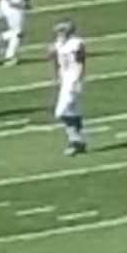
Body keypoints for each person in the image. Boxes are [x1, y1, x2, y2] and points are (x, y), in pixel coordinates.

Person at [49, 19, 88, 156]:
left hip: (73, 78)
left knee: (61, 112)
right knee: (73, 112)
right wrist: (58, 78)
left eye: (61, 31)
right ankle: (79, 142)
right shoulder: (59, 44)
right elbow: (55, 61)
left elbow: (80, 62)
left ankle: (75, 140)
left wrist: (77, 79)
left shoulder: (76, 43)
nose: (58, 34)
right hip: (65, 79)